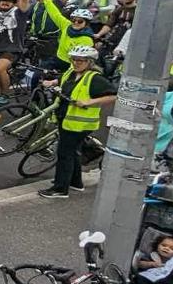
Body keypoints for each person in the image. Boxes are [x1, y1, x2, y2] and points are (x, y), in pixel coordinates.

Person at [39, 44, 116, 199]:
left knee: (64, 153)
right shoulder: (71, 72)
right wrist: (52, 83)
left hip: (79, 124)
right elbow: (61, 80)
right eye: (74, 60)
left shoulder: (95, 79)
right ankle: (75, 182)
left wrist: (88, 102)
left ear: (90, 62)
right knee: (73, 152)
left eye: (80, 61)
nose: (76, 63)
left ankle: (60, 189)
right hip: (66, 119)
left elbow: (113, 96)